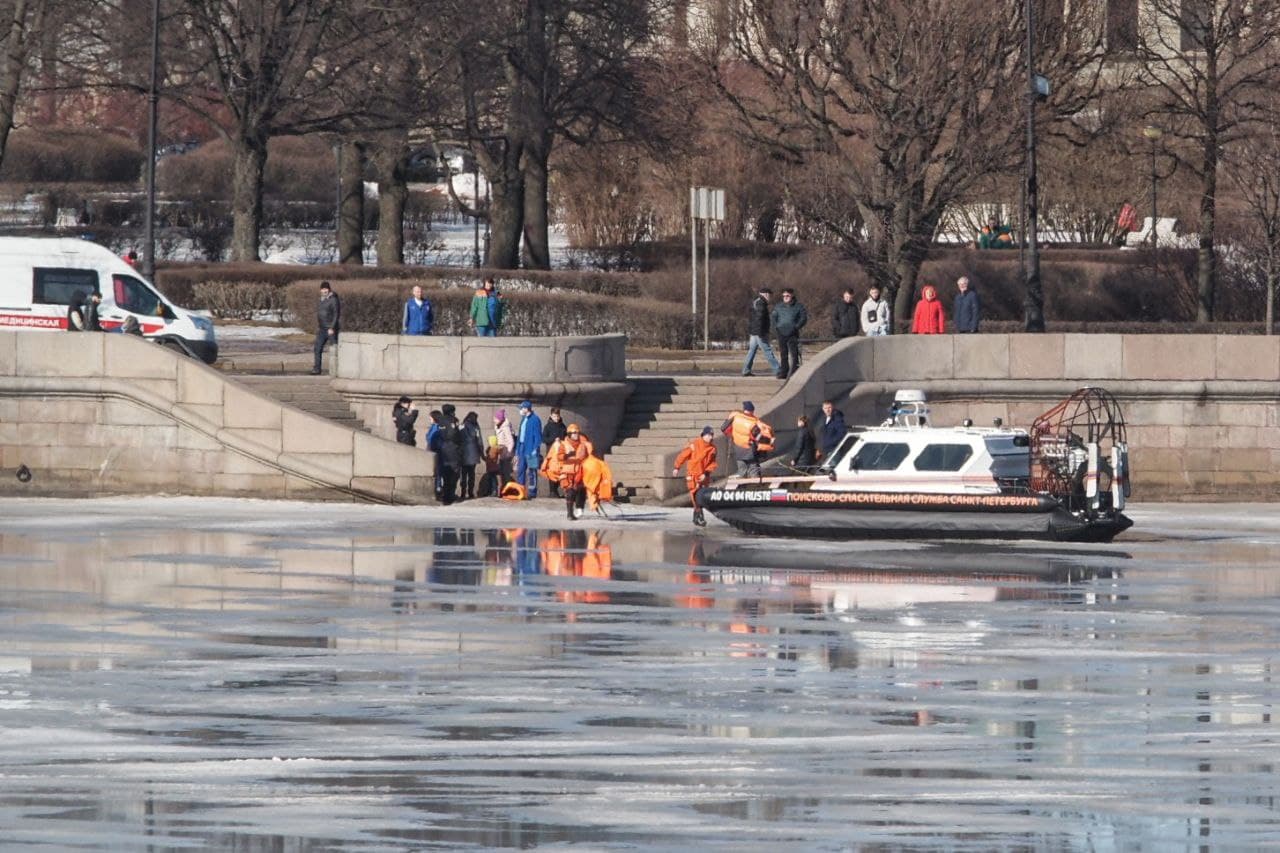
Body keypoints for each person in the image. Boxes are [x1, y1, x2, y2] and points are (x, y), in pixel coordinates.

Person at [673, 426, 718, 527]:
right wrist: (676, 467)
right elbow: (683, 456)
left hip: (704, 476)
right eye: (708, 435)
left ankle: (696, 516)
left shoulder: (713, 449)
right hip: (693, 475)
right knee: (695, 496)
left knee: (701, 496)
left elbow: (712, 464)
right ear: (703, 435)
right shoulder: (694, 445)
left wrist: (705, 474)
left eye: (712, 435)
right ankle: (700, 516)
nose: (710, 437)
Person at [720, 401, 775, 478]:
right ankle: (754, 488)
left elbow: (723, 428)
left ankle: (741, 488)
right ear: (752, 410)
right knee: (754, 471)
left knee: (741, 473)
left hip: (738, 450)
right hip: (750, 451)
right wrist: (770, 443)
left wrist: (733, 435)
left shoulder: (736, 417)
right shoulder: (752, 422)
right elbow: (759, 437)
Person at [553, 423, 593, 520]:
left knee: (580, 491)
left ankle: (579, 508)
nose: (576, 435)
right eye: (574, 433)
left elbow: (587, 457)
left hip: (580, 472)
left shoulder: (582, 445)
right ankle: (570, 514)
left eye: (577, 433)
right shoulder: (564, 444)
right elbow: (559, 456)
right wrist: (567, 455)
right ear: (569, 434)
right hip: (568, 472)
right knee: (570, 492)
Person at [741, 287, 780, 377]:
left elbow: (753, 318)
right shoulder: (761, 303)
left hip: (754, 332)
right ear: (766, 294)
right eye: (770, 295)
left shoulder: (756, 302)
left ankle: (746, 370)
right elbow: (759, 319)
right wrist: (761, 332)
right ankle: (778, 370)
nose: (770, 298)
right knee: (767, 351)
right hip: (759, 332)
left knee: (752, 351)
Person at [771, 287, 808, 380]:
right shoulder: (778, 306)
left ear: (792, 295)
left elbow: (803, 318)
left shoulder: (798, 306)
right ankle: (784, 371)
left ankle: (794, 371)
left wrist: (796, 327)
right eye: (784, 296)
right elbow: (773, 317)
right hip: (781, 332)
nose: (785, 297)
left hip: (793, 333)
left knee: (794, 353)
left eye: (787, 295)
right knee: (783, 354)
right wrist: (776, 327)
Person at [513, 400, 544, 499]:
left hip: (531, 448)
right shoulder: (523, 419)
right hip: (522, 446)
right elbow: (520, 435)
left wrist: (535, 449)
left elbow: (538, 437)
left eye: (521, 408)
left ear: (526, 409)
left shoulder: (535, 419)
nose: (520, 410)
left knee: (532, 471)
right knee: (520, 470)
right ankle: (520, 489)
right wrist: (517, 450)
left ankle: (532, 492)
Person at [435, 403, 463, 505]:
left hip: (443, 449)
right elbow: (453, 434)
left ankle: (446, 494)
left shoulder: (440, 420)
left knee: (445, 474)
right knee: (454, 473)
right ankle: (449, 495)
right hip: (452, 449)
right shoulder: (453, 420)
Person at [312, 281, 340, 374]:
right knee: (317, 348)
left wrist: (332, 327)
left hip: (330, 329)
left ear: (329, 289)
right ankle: (317, 369)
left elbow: (336, 314)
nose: (324, 291)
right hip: (322, 329)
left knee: (334, 349)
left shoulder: (333, 300)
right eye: (323, 289)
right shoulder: (321, 300)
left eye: (326, 289)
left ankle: (337, 369)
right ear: (320, 290)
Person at [542, 407, 567, 497]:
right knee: (552, 471)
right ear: (551, 416)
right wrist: (553, 440)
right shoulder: (548, 426)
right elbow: (544, 438)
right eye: (554, 416)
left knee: (561, 471)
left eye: (557, 416)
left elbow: (566, 437)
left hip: (561, 453)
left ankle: (561, 489)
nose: (556, 418)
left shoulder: (563, 426)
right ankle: (552, 491)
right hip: (551, 453)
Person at [460, 411, 485, 500]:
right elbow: (480, 441)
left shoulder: (462, 425)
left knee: (463, 474)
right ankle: (470, 492)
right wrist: (482, 454)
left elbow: (458, 437)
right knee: (471, 474)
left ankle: (463, 492)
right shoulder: (476, 427)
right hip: (474, 453)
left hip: (464, 453)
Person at [492, 408, 515, 484]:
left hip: (506, 453)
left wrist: (508, 453)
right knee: (502, 473)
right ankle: (504, 489)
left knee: (506, 473)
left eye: (495, 419)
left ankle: (507, 489)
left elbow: (511, 441)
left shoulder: (505, 427)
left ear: (500, 419)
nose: (494, 420)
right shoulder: (498, 426)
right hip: (501, 453)